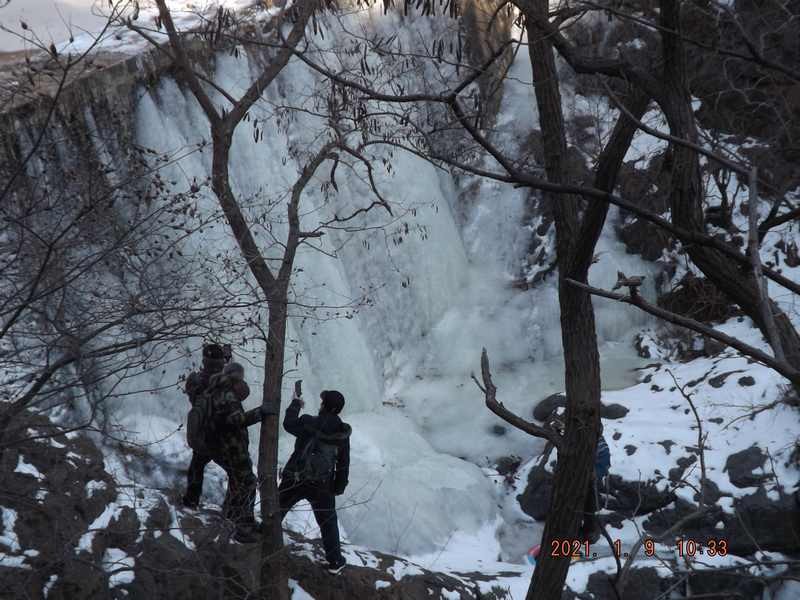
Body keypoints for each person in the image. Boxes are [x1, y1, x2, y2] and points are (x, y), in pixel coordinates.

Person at [279, 388, 351, 573]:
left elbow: (288, 424)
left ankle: (265, 536)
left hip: (295, 477)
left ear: (324, 406)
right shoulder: (341, 434)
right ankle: (335, 561)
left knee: (277, 509)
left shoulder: (308, 422)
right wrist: (337, 487)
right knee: (328, 522)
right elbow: (343, 464)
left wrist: (296, 404)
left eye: (322, 402)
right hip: (322, 485)